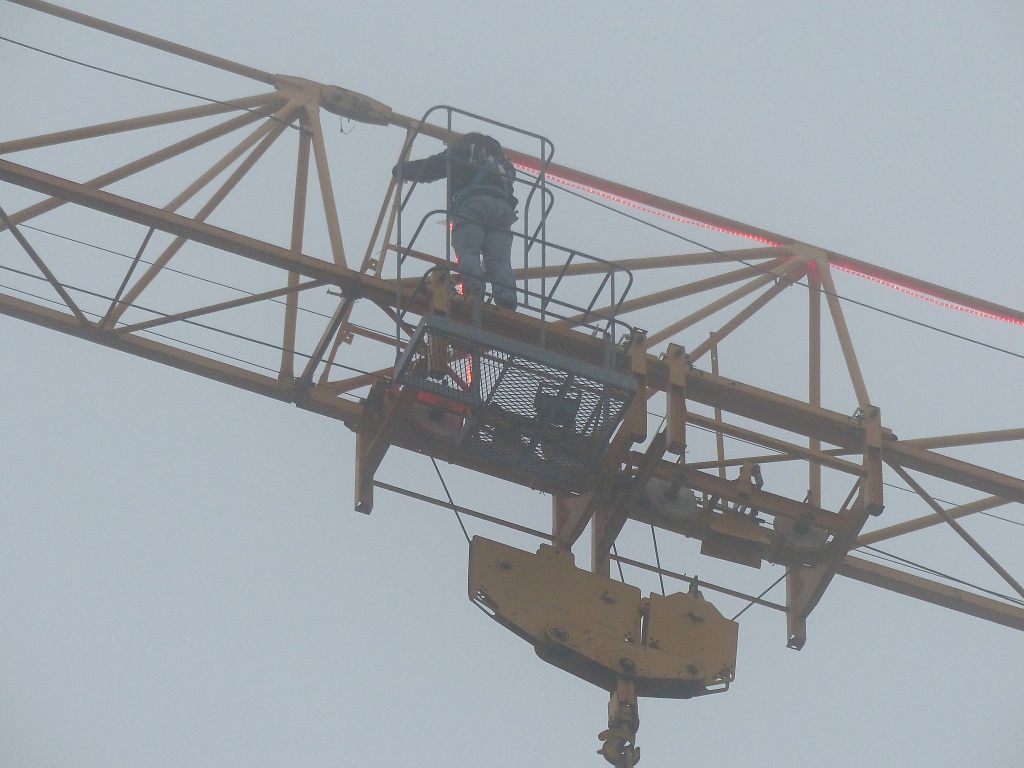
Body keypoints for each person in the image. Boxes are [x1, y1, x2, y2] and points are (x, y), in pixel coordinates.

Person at [393, 132, 519, 310]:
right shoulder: (503, 162)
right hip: (502, 212)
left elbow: (433, 167)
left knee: (468, 252)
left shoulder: (466, 150)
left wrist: (402, 170)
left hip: (472, 205)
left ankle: (474, 290)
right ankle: (507, 297)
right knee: (500, 261)